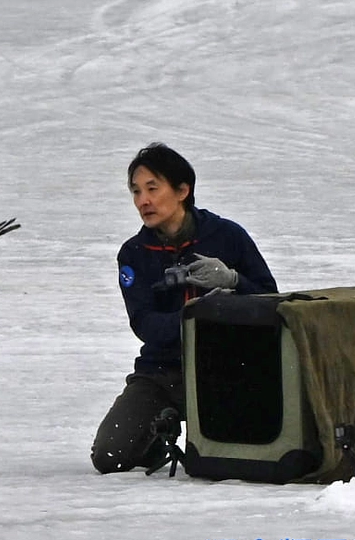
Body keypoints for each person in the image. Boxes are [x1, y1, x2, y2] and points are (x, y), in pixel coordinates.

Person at [91, 142, 278, 474]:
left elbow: (270, 299)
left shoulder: (227, 236)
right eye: (136, 192)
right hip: (162, 373)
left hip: (227, 368)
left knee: (236, 460)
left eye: (152, 188)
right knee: (109, 456)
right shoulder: (134, 254)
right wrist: (197, 315)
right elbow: (144, 323)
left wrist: (235, 281)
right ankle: (155, 437)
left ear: (182, 190)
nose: (142, 201)